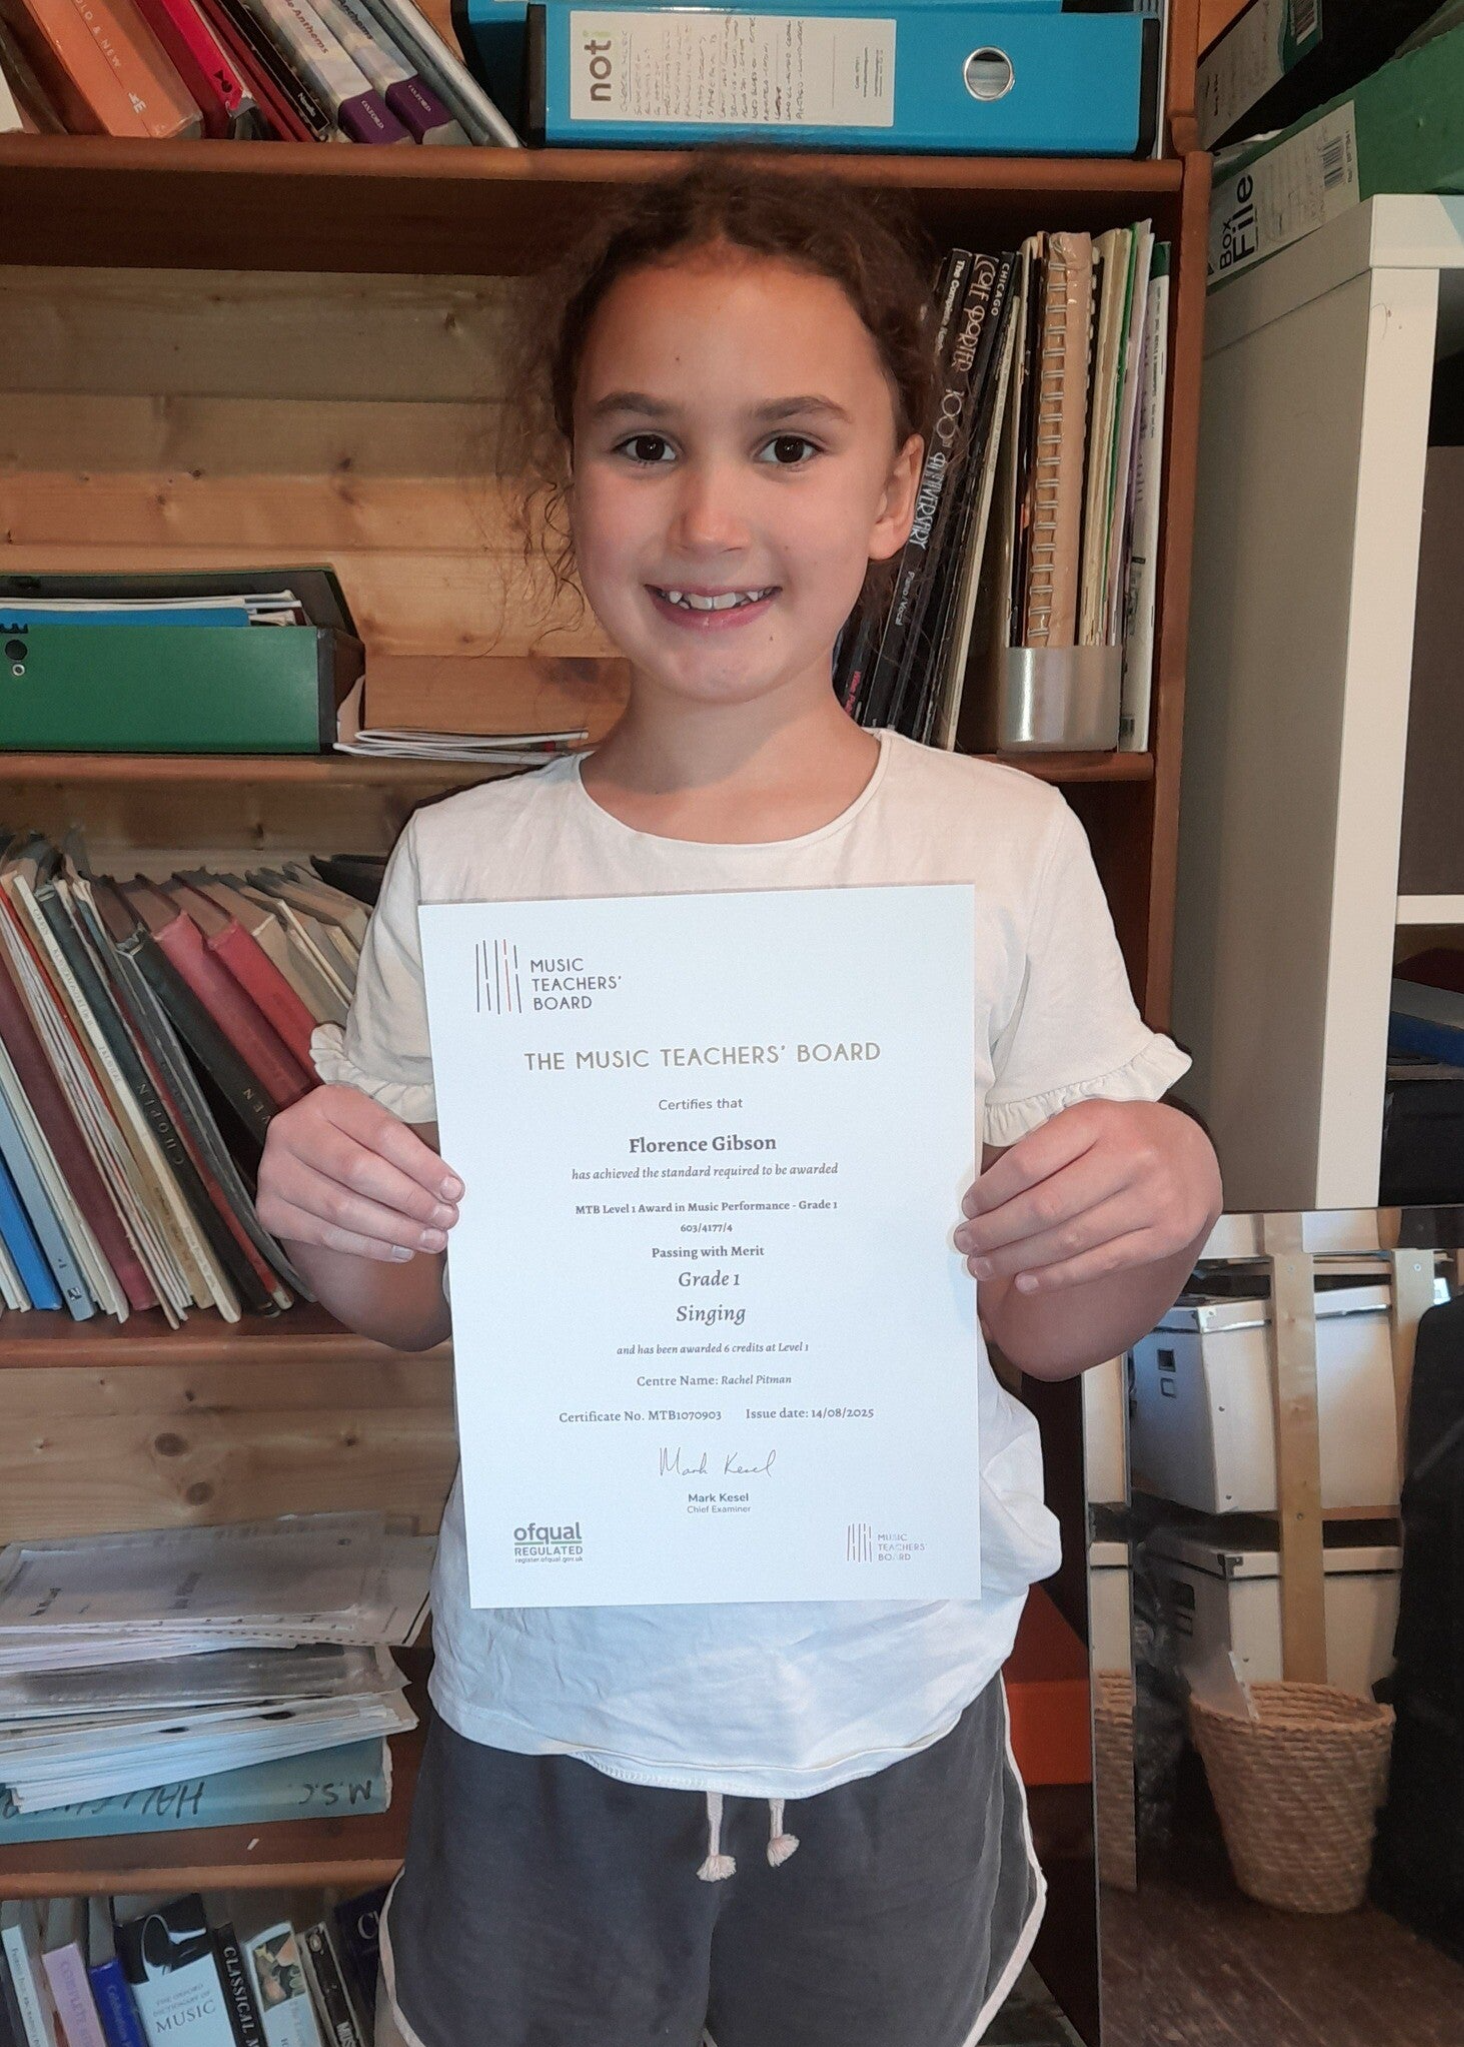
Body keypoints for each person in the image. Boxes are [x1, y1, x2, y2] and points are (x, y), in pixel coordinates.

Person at [257, 159, 1223, 2047]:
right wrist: (332, 1217)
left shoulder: (1003, 843)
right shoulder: (470, 863)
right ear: (572, 480)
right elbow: (413, 1298)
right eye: (644, 443)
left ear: (898, 488)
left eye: (788, 443)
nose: (711, 516)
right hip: (554, 1693)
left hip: (886, 1690)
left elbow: (1048, 1324)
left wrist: (1157, 1198)